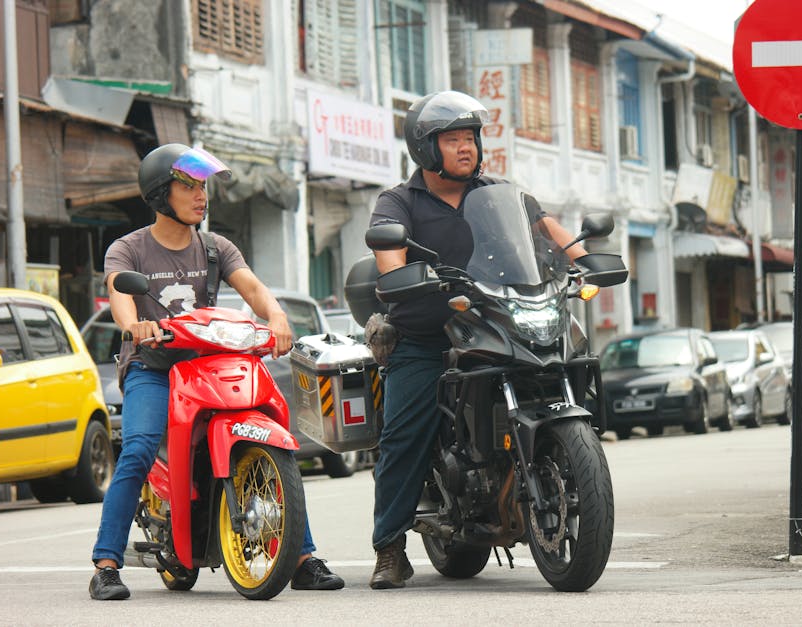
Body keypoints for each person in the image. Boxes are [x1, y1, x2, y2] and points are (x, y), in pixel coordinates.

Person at [89, 143, 344, 600]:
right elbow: (120, 298)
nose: (200, 195)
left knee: (269, 426)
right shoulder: (129, 249)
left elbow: (253, 288)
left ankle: (301, 557)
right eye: (188, 185)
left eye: (202, 186)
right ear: (159, 193)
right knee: (141, 447)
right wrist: (136, 327)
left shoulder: (215, 247)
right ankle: (107, 563)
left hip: (208, 364)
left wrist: (278, 318)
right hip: (154, 367)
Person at [367, 91, 587, 589]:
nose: (466, 148)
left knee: (568, 366)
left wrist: (585, 260)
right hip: (428, 337)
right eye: (452, 139)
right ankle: (389, 547)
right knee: (404, 434)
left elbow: (551, 233)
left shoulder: (501, 193)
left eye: (470, 138)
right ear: (425, 149)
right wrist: (400, 275)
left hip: (497, 322)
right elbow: (389, 255)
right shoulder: (397, 202)